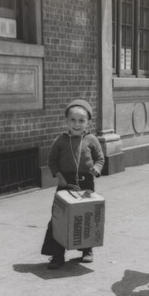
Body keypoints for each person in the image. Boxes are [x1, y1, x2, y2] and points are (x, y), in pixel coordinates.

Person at [41, 99, 105, 269]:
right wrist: (58, 175)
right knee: (59, 218)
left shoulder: (91, 139)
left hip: (86, 184)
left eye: (81, 120)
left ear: (88, 122)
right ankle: (57, 254)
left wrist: (97, 169)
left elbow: (100, 158)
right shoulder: (61, 140)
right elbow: (52, 160)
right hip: (65, 184)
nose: (77, 124)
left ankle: (87, 250)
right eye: (73, 120)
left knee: (86, 217)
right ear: (66, 121)